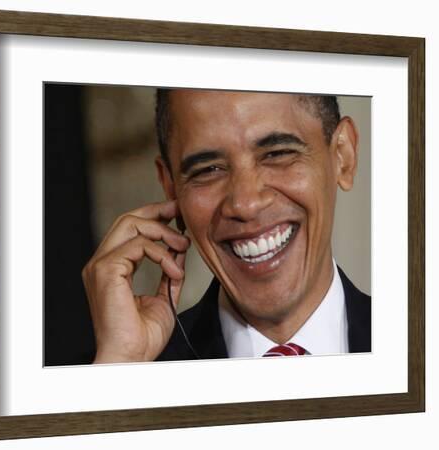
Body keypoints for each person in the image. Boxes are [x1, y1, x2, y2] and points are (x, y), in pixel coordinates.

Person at [81, 89, 370, 364]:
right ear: (171, 187)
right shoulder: (130, 370)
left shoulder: (412, 342)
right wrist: (119, 364)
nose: (246, 204)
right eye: (208, 170)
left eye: (277, 153)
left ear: (343, 156)